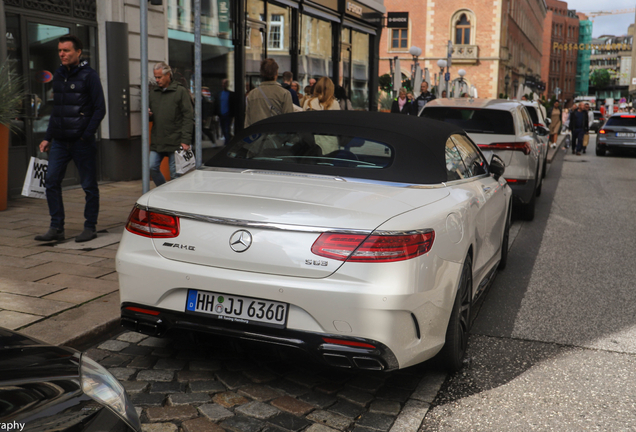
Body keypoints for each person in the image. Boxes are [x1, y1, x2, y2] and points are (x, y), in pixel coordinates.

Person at [35, 35, 106, 243]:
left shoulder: (89, 76)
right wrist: (48, 137)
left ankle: (90, 227)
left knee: (89, 186)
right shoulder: (58, 75)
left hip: (81, 142)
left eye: (66, 50)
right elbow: (57, 110)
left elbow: (100, 109)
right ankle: (56, 227)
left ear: (78, 52)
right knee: (51, 182)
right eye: (60, 51)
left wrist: (85, 135)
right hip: (59, 141)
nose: (62, 54)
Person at [148, 62, 194, 186]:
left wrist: (185, 140)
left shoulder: (180, 91)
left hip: (176, 141)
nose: (157, 80)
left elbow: (188, 116)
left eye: (159, 77)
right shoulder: (153, 93)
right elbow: (151, 117)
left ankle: (173, 200)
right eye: (155, 77)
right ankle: (163, 191)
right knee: (152, 167)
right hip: (158, 140)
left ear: (168, 75)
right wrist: (148, 115)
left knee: (175, 175)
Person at [245, 58, 294, 127]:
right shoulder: (284, 93)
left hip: (256, 135)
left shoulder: (252, 94)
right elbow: (289, 121)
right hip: (276, 135)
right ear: (276, 73)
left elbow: (248, 121)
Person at [215, 79, 235, 145]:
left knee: (227, 128)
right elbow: (216, 104)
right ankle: (228, 138)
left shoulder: (231, 94)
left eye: (225, 83)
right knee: (223, 128)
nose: (224, 85)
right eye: (223, 83)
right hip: (221, 114)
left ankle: (227, 142)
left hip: (228, 114)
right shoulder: (219, 94)